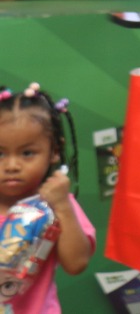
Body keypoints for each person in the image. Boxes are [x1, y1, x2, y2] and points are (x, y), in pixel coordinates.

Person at [0, 83, 92, 314]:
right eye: (0, 154)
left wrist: (62, 206)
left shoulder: (57, 203)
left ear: (55, 151)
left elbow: (76, 264)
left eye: (27, 153)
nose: (12, 166)